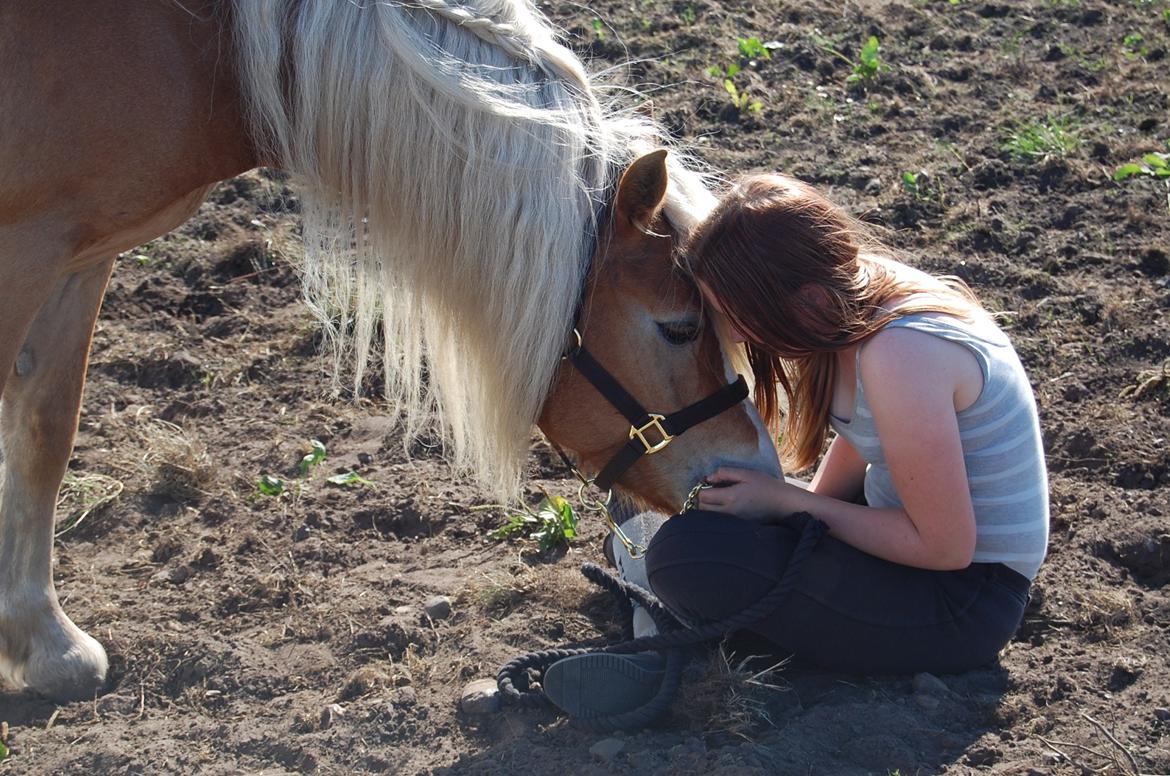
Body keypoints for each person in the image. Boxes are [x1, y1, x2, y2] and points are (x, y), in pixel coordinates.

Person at [542, 173, 1048, 720]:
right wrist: (787, 518)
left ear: (806, 299)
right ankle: (674, 597)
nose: (737, 336)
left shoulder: (903, 353)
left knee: (688, 557)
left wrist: (789, 505)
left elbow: (945, 548)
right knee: (691, 514)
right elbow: (872, 440)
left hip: (961, 603)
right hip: (915, 556)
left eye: (739, 317)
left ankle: (668, 639)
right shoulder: (858, 298)